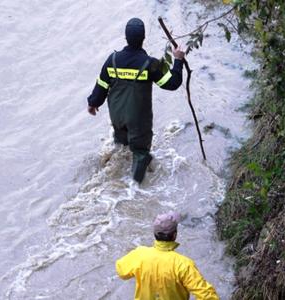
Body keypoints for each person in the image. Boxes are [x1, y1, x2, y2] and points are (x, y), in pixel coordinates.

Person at [87, 17, 185, 183]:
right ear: (143, 39)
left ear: (125, 38)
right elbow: (172, 83)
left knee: (121, 147)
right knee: (140, 153)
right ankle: (135, 189)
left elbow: (102, 84)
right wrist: (178, 60)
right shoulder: (150, 64)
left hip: (117, 116)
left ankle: (116, 180)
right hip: (138, 119)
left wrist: (93, 103)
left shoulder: (112, 60)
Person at [116, 212, 220, 300]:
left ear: (154, 234)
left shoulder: (139, 254)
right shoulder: (183, 264)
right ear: (174, 235)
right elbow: (207, 296)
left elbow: (121, 272)